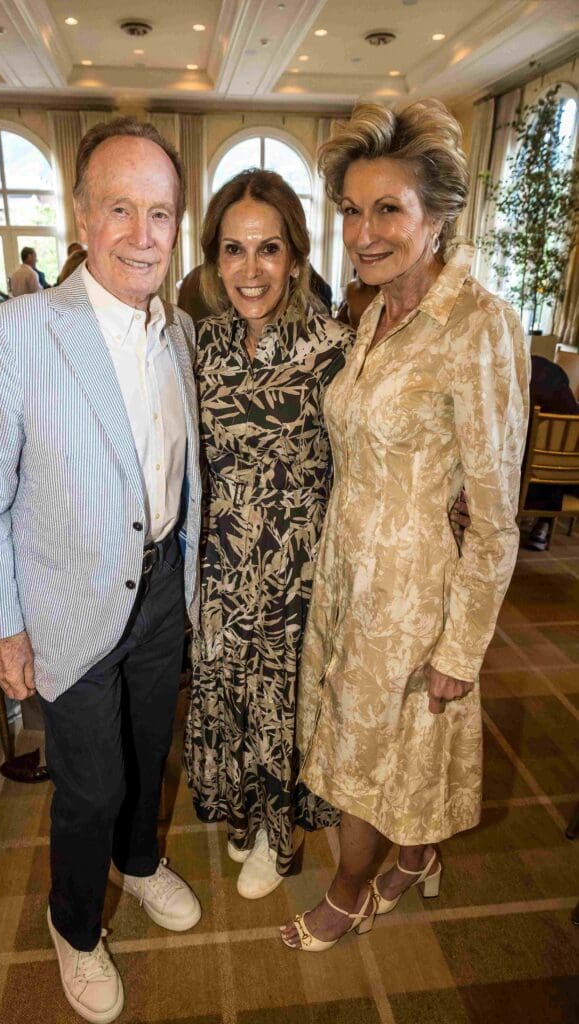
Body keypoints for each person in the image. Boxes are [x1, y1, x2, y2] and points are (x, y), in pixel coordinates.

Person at [0, 116, 203, 1024]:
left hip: (161, 583)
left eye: (160, 213)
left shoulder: (175, 333)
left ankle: (138, 862)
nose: (142, 234)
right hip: (67, 599)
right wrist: (2, 626)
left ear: (178, 226)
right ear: (83, 217)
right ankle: (74, 923)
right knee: (89, 782)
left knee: (147, 753)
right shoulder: (14, 333)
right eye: (121, 209)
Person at [280, 99, 530, 951]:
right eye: (350, 209)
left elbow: (496, 516)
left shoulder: (479, 327)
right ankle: (413, 856)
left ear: (438, 216)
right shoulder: (374, 313)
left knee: (365, 757)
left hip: (415, 588)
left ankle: (348, 889)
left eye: (387, 209)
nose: (361, 231)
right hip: (347, 570)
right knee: (382, 747)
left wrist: (459, 651)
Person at [183, 169, 352, 899]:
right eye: (233, 250)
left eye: (268, 249)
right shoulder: (201, 343)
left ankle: (279, 838)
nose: (250, 271)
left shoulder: (332, 346)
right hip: (220, 561)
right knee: (226, 690)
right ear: (214, 259)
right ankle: (243, 813)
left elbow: (360, 464)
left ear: (295, 255)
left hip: (295, 567)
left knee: (280, 702)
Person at [524, 355, 579, 550]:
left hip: (518, 483)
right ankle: (543, 525)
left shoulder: (520, 386)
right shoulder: (561, 393)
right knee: (558, 453)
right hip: (558, 478)